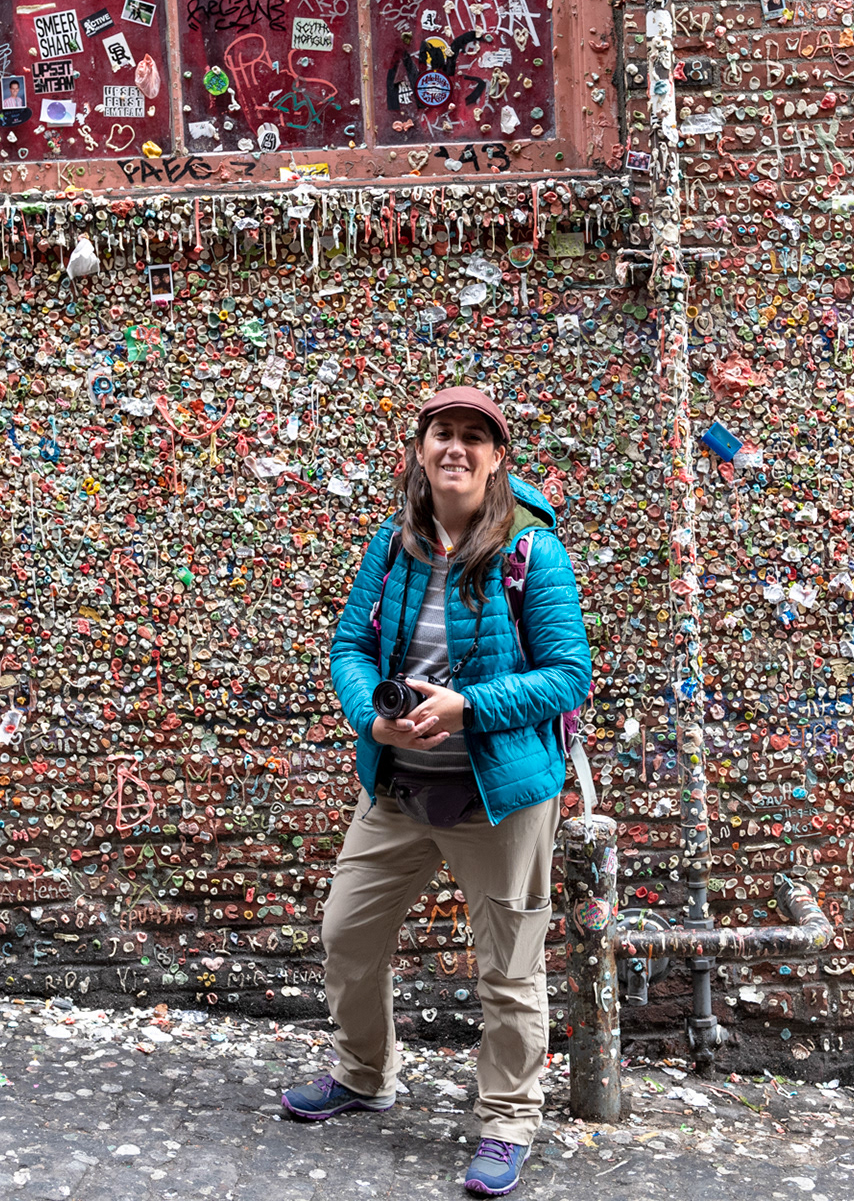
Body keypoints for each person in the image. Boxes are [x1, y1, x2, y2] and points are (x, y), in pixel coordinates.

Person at [282, 386, 592, 1197]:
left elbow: (569, 677)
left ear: (496, 459)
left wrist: (468, 707)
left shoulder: (533, 553)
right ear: (420, 450)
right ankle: (364, 1075)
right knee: (347, 932)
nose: (454, 449)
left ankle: (508, 1123)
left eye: (472, 438)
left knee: (509, 971)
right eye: (441, 435)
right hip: (398, 788)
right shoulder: (393, 545)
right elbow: (350, 646)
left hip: (500, 799)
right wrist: (369, 718)